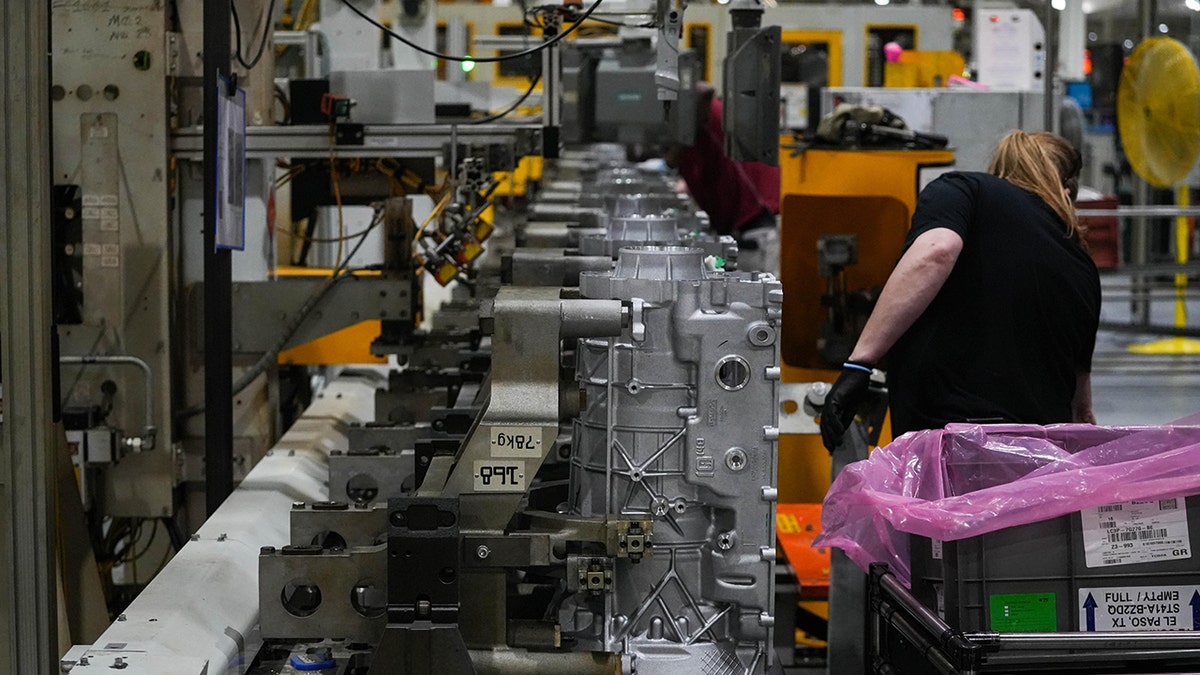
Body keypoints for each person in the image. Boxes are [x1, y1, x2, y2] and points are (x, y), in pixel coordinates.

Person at [820, 130, 1100, 452]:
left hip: (948, 447)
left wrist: (860, 363)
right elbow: (1082, 411)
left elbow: (937, 250)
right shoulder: (1083, 267)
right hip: (1035, 465)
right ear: (1066, 192)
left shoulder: (964, 189)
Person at [665, 84, 781, 273]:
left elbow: (705, 90)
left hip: (755, 229)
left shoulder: (703, 113)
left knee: (752, 298)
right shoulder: (693, 129)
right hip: (734, 232)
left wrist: (676, 148)